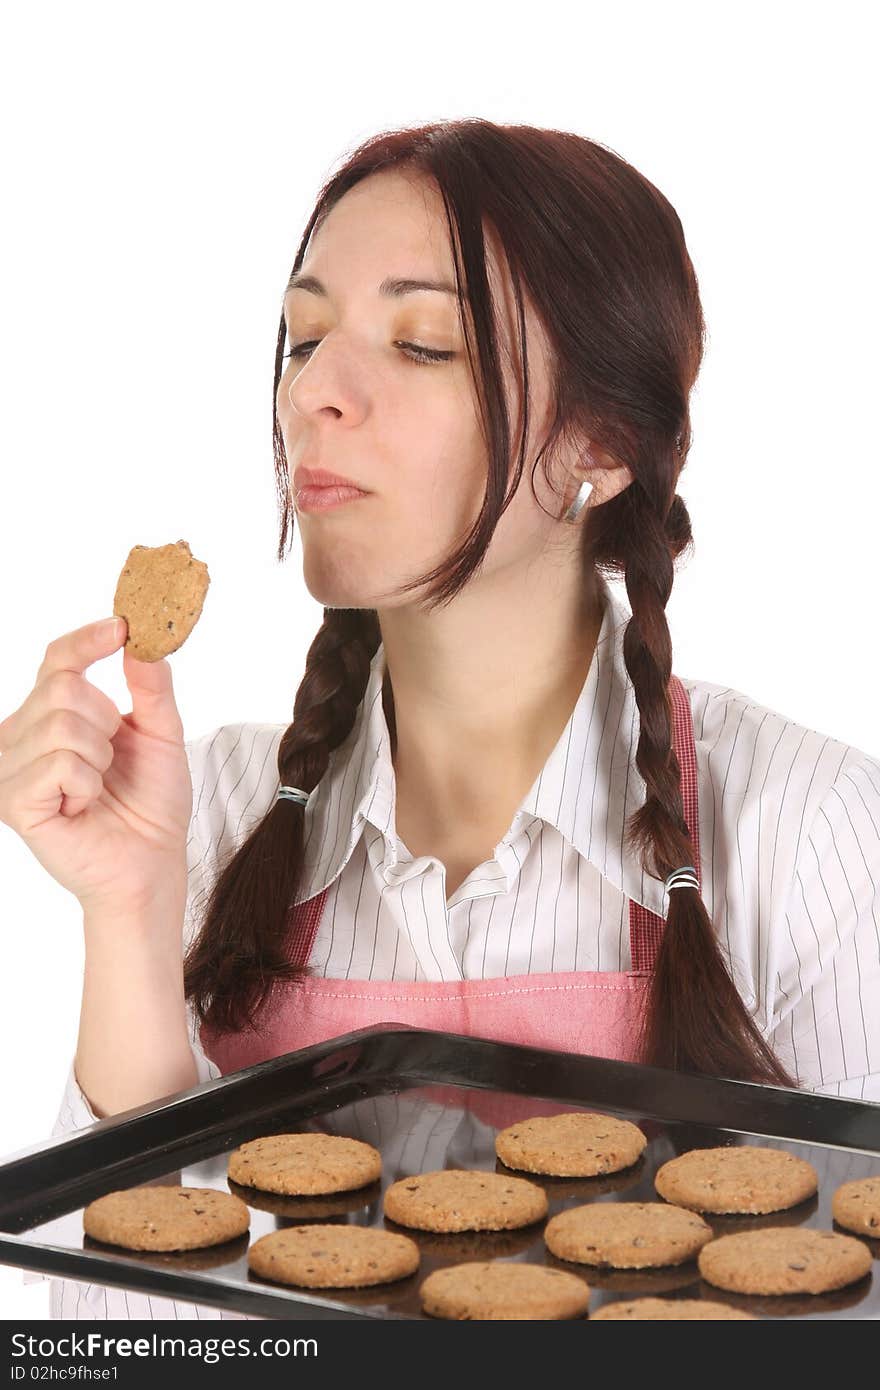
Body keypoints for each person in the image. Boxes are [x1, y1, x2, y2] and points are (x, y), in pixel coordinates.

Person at [3, 118, 878, 1321]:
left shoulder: (803, 829)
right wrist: (127, 917)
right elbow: (122, 1340)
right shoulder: (208, 811)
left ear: (601, 445)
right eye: (305, 337)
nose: (313, 393)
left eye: (421, 344)